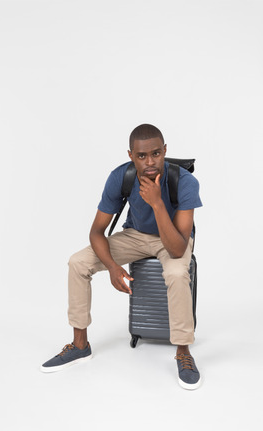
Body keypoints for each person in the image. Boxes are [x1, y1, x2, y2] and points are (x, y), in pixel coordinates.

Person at [41, 124, 203, 390]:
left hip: (173, 238)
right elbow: (96, 231)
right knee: (78, 262)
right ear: (131, 155)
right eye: (142, 156)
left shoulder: (185, 182)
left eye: (155, 153)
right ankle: (80, 344)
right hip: (135, 236)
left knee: (176, 272)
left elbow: (177, 248)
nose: (150, 162)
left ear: (165, 151)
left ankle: (183, 352)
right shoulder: (121, 177)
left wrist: (157, 202)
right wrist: (113, 267)